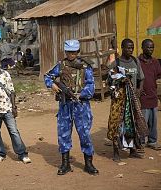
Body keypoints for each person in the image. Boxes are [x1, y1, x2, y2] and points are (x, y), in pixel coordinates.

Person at [44, 39, 99, 175]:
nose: (71, 55)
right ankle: (65, 164)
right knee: (63, 134)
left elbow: (91, 85)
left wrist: (80, 95)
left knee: (85, 134)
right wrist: (52, 85)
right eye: (69, 52)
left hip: (81, 105)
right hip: (65, 105)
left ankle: (88, 163)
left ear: (78, 52)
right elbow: (48, 76)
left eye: (74, 52)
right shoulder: (61, 65)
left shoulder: (86, 67)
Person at [0, 54, 31, 164]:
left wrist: (14, 107)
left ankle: (22, 154)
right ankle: (0, 154)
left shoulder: (5, 74)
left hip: (7, 108)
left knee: (14, 132)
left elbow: (12, 92)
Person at [107, 38, 148, 162]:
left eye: (132, 47)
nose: (130, 50)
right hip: (119, 100)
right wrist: (119, 80)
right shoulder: (117, 62)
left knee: (133, 124)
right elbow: (109, 78)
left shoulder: (135, 61)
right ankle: (115, 152)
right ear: (122, 48)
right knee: (116, 124)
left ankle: (132, 150)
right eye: (128, 47)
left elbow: (141, 78)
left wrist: (139, 90)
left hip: (133, 99)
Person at [138, 39, 161, 150]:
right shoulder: (137, 62)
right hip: (143, 98)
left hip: (153, 96)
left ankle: (152, 141)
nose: (150, 49)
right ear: (143, 48)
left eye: (152, 47)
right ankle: (141, 142)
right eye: (148, 47)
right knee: (142, 121)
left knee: (153, 121)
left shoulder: (155, 62)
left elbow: (157, 76)